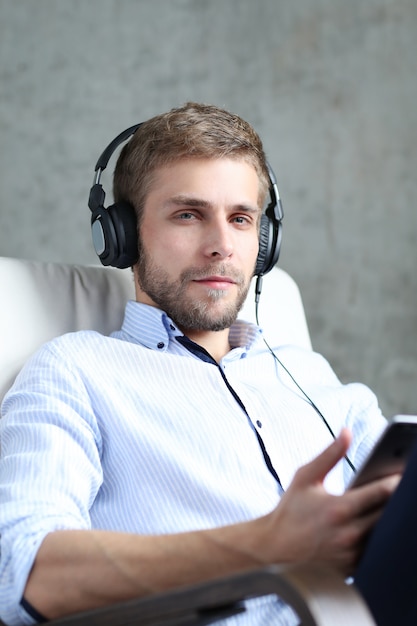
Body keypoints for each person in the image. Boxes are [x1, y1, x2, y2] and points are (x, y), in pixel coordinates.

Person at [0, 102, 398, 626]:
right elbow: (21, 573)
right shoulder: (76, 370)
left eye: (240, 219)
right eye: (188, 214)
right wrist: (267, 542)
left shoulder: (309, 375)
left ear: (265, 242)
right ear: (121, 235)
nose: (221, 247)